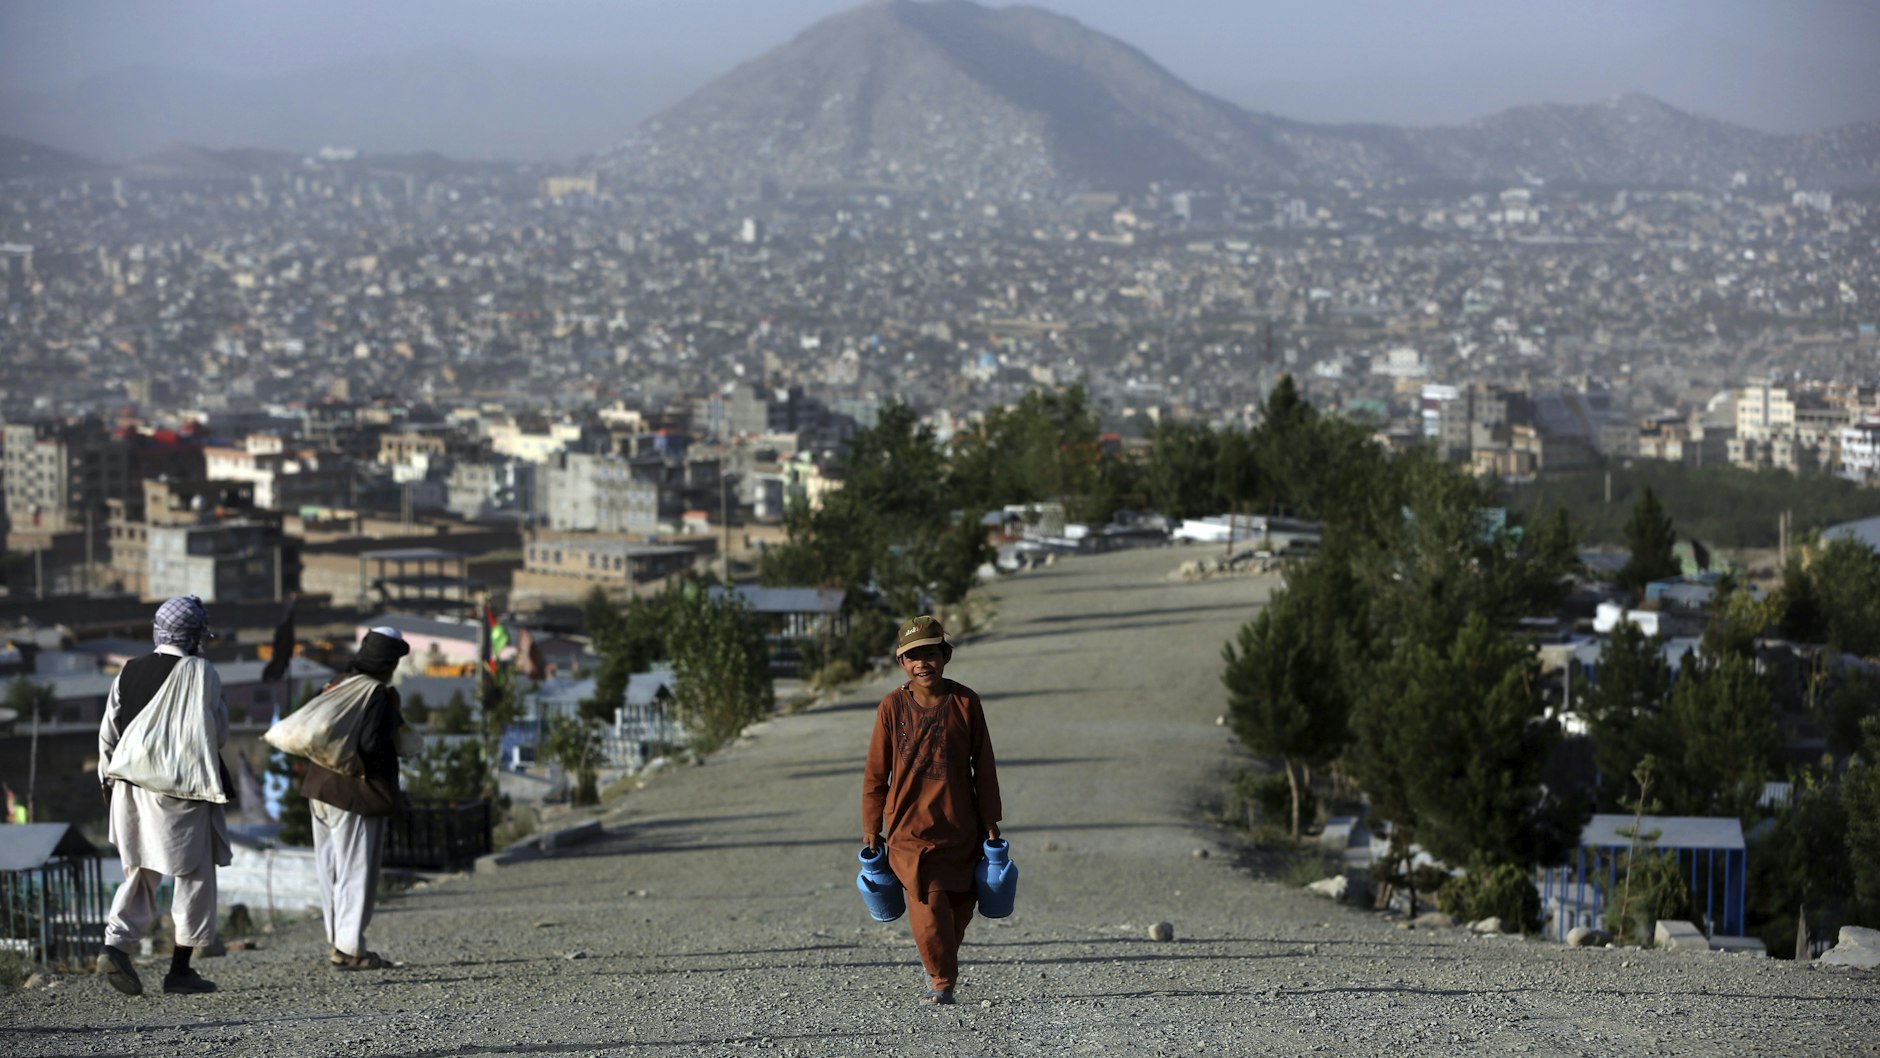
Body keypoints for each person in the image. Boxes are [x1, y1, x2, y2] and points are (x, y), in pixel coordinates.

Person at [862, 615, 1002, 1006]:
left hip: (960, 827)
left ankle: (939, 961)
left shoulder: (965, 702)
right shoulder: (891, 707)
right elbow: (876, 772)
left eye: (930, 654)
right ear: (901, 662)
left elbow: (984, 765)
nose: (922, 663)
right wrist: (872, 826)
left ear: (946, 656)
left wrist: (990, 819)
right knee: (929, 901)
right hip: (909, 831)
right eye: (913, 657)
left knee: (959, 905)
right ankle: (941, 980)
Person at [95, 595, 231, 997]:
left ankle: (115, 946)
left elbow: (108, 734)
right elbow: (218, 734)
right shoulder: (202, 673)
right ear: (195, 634)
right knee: (193, 875)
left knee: (140, 872)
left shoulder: (128, 671)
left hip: (129, 788)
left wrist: (110, 788)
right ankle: (180, 970)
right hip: (181, 792)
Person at [300, 626, 415, 971]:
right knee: (355, 870)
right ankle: (350, 948)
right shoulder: (375, 694)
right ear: (389, 663)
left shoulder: (336, 683)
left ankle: (339, 942)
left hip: (319, 788)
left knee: (330, 869)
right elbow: (371, 743)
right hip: (354, 794)